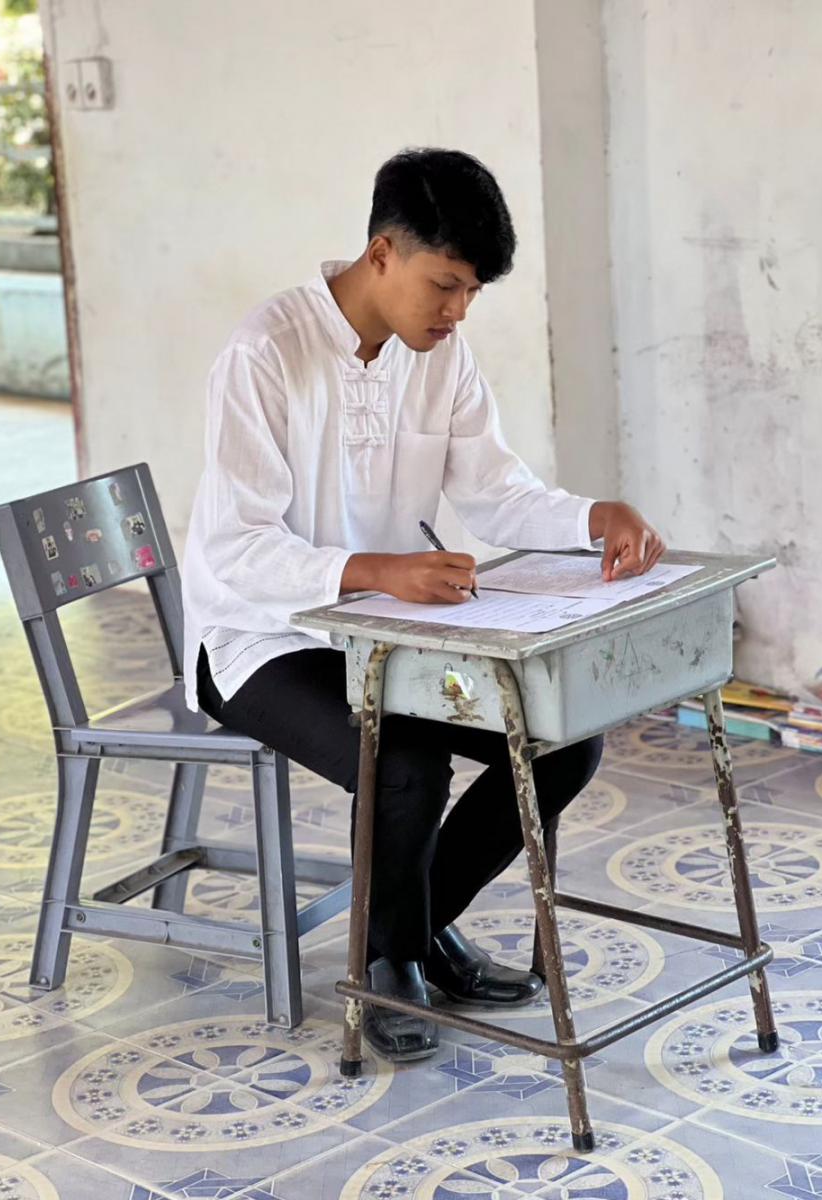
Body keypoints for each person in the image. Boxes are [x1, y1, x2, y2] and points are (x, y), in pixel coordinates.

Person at [182, 147, 665, 1063]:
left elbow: (494, 492)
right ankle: (391, 962)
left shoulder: (442, 356)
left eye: (472, 292)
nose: (458, 311)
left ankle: (412, 928)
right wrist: (381, 570)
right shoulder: (266, 352)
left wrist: (590, 516)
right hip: (258, 637)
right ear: (382, 254)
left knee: (562, 741)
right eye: (446, 285)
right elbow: (235, 548)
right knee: (403, 760)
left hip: (383, 630)